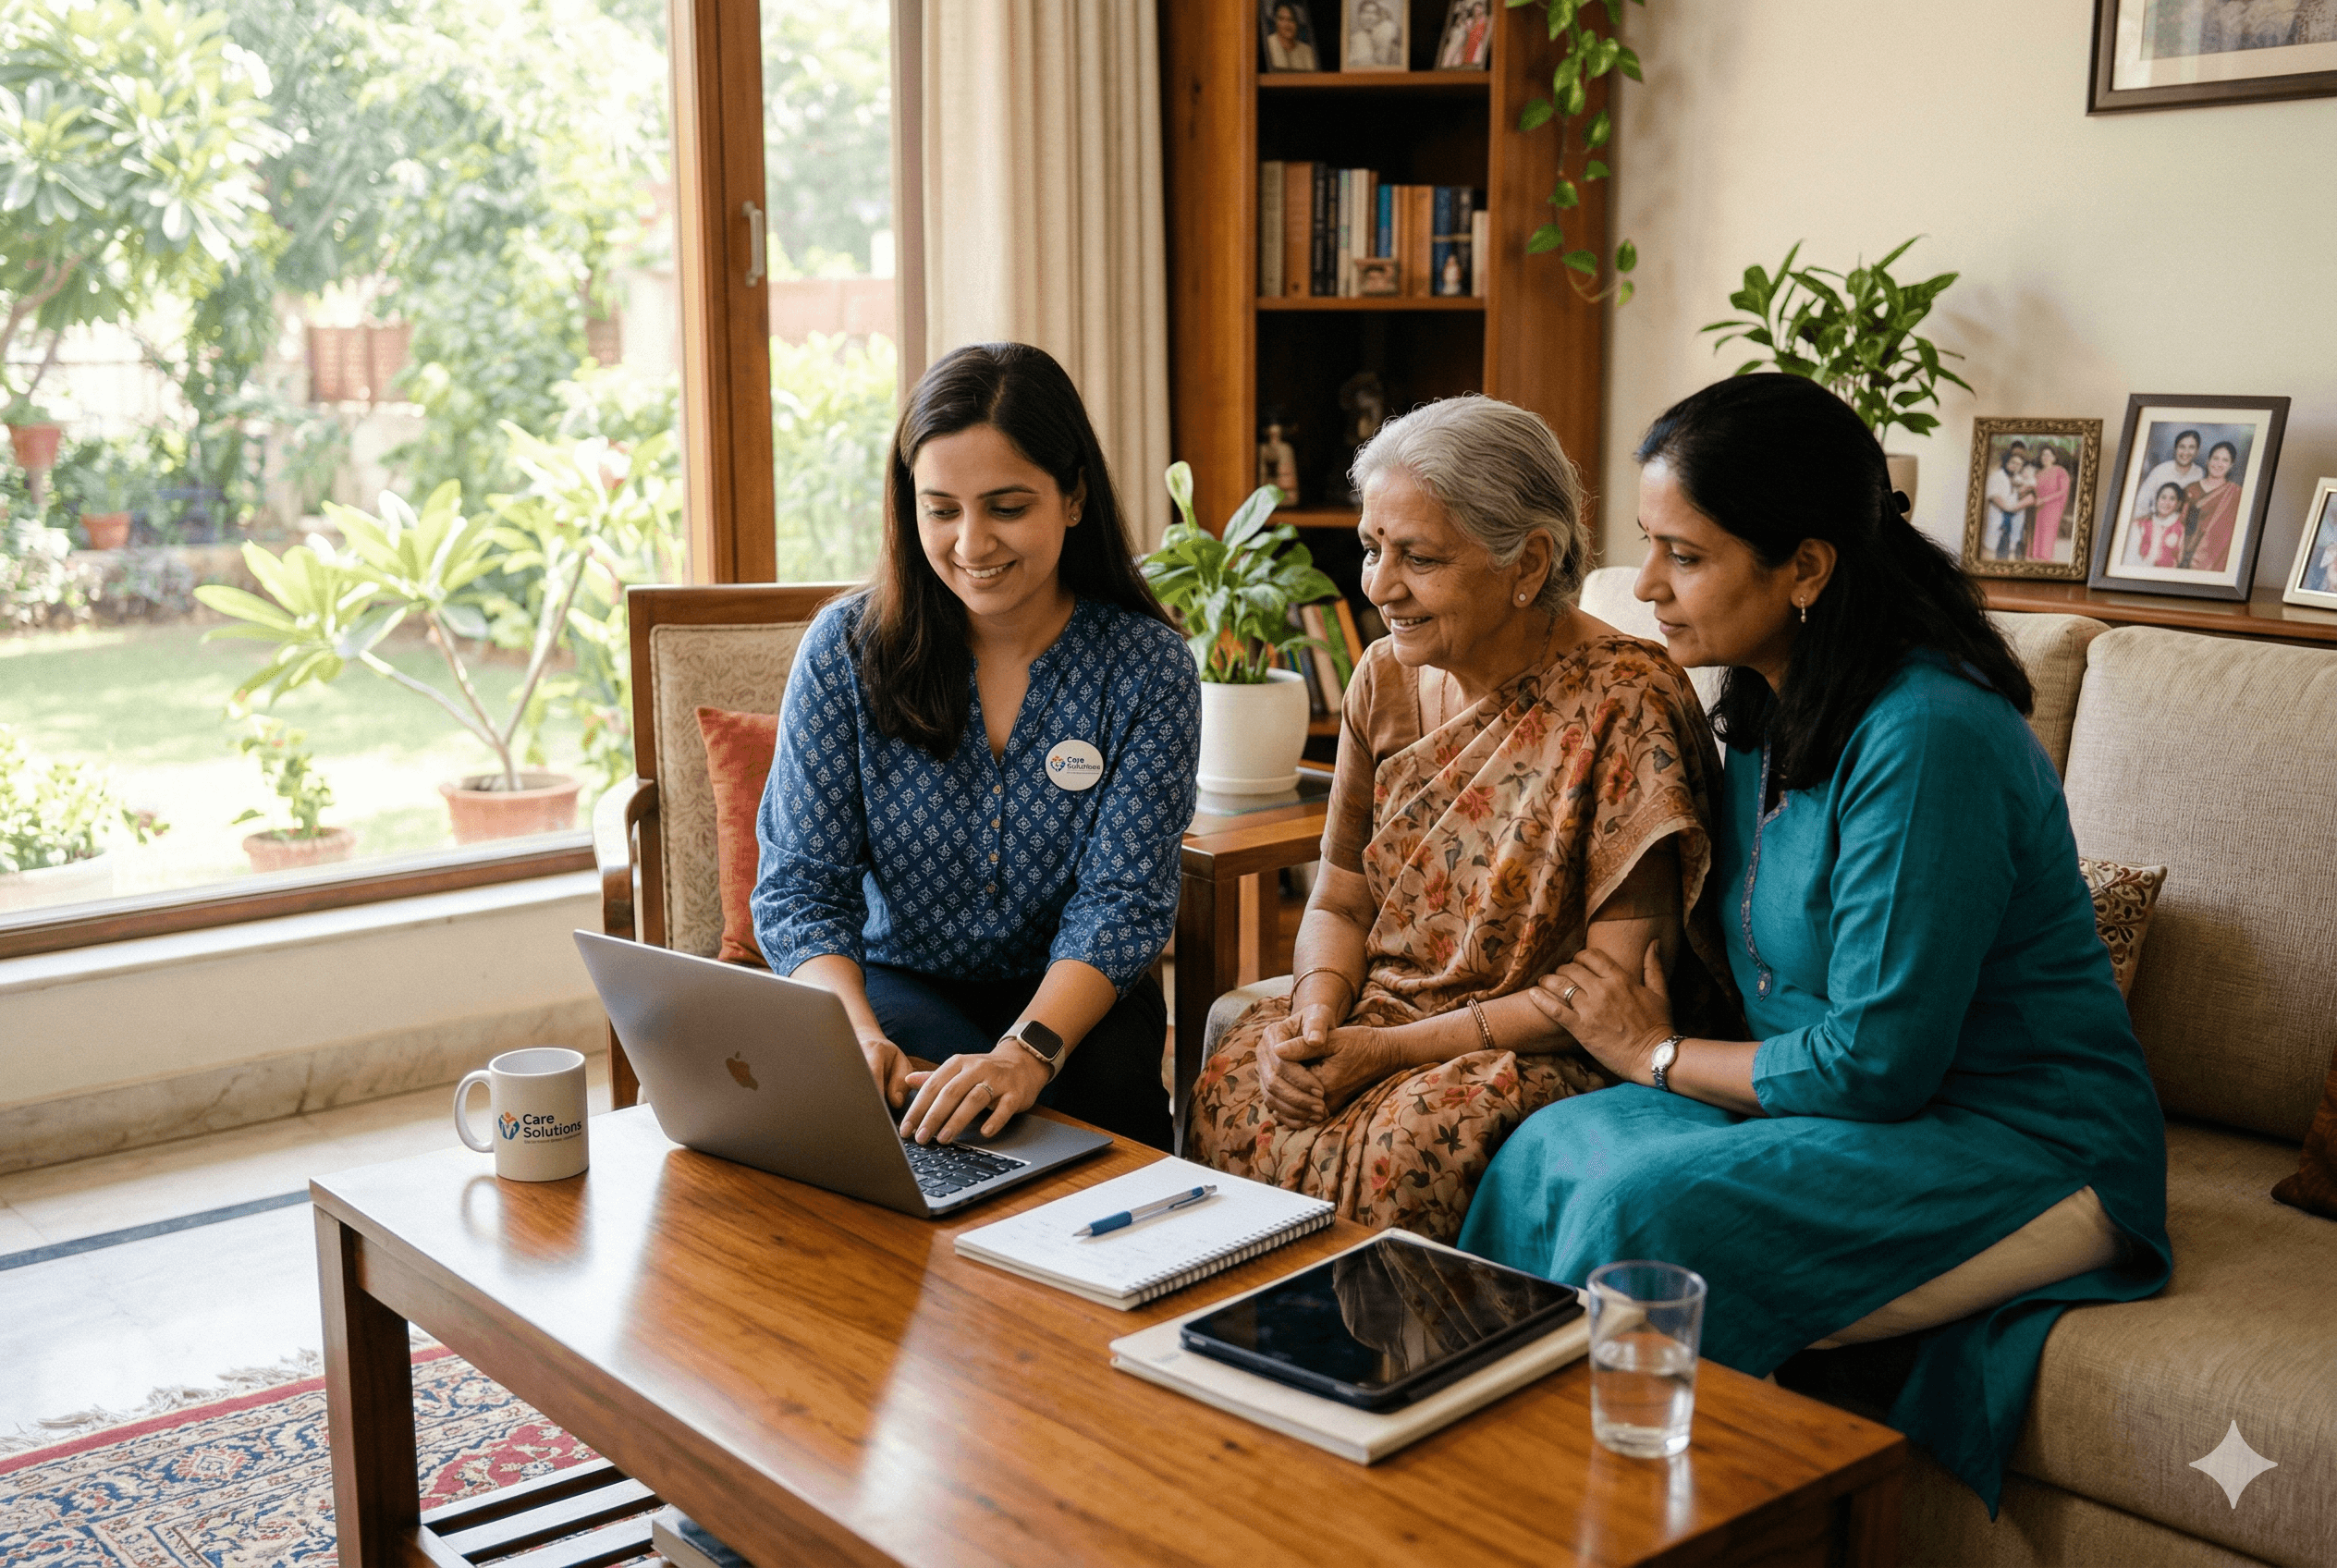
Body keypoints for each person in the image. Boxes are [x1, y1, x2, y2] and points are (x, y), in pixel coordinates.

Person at [1457, 374, 2170, 1510]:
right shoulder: (1759, 703)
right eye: (1649, 547)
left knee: (1650, 1216)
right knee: (1549, 1145)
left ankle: (1598, 1521)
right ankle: (1485, 1501)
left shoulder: (1931, 735)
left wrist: (1650, 1053)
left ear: (1805, 568)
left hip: (2019, 1135)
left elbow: (1878, 1062)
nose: (1645, 589)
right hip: (1830, 1104)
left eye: (1683, 556)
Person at [1188, 395, 1734, 1241]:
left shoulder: (1626, 701)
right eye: (1373, 549)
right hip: (1386, 1009)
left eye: (1419, 558)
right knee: (1237, 1077)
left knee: (1406, 1146)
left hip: (1536, 1043)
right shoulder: (1382, 677)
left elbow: (1618, 986)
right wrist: (1316, 1015)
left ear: (1528, 564)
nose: (1379, 587)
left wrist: (1391, 1054)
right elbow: (1338, 900)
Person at [752, 342, 1200, 1152]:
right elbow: (800, 891)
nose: (971, 543)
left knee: (1103, 1108)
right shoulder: (845, 651)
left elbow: (1123, 900)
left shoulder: (1147, 668)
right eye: (942, 508)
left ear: (1072, 499)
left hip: (1079, 995)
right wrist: (851, 1034)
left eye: (1006, 506)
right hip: (900, 983)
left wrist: (1027, 1052)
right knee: (913, 1118)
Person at [2179, 440, 2245, 572]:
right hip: (2180, 556)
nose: (2219, 464)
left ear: (2231, 465)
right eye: (2216, 458)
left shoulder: (2236, 494)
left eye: (2225, 460)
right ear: (2208, 461)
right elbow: (2178, 524)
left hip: (2213, 563)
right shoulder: (2190, 489)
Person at [2134, 429, 2205, 519]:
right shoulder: (2160, 471)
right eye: (2182, 447)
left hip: (2182, 525)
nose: (2186, 452)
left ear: (2197, 451)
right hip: (2155, 521)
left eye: (2191, 447)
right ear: (2175, 449)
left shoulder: (2200, 474)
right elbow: (2140, 504)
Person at [2024, 443, 2071, 562]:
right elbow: (2032, 488)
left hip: (2052, 506)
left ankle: (2045, 559)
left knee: (2047, 530)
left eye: (2048, 455)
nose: (2045, 457)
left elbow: (2063, 490)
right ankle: (2034, 557)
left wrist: (2044, 500)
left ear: (2054, 458)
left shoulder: (2060, 471)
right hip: (2038, 506)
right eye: (2043, 455)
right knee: (2036, 530)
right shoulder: (2037, 474)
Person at [1983, 446, 2029, 559]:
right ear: (2006, 461)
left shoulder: (2019, 479)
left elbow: (2027, 492)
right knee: (1993, 554)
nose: (2015, 466)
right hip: (1999, 520)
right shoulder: (1996, 476)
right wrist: (2010, 508)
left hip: (2015, 523)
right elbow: (1994, 497)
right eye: (2013, 462)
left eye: (2019, 465)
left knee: (2011, 553)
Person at [2134, 481, 2187, 568]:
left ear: (2178, 504)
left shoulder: (2180, 529)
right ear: (2157, 500)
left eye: (2172, 499)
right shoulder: (2141, 524)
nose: (2166, 503)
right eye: (2163, 497)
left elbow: (2180, 560)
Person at [1264, 3, 1319, 70]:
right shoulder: (1267, 45)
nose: (1287, 25)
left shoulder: (1307, 51)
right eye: (1282, 19)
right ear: (1275, 22)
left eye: (1291, 20)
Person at [1347, 0, 1401, 67]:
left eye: (1374, 13)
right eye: (1366, 12)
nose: (1370, 17)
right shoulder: (1351, 40)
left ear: (1379, 18)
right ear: (1359, 15)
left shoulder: (1388, 42)